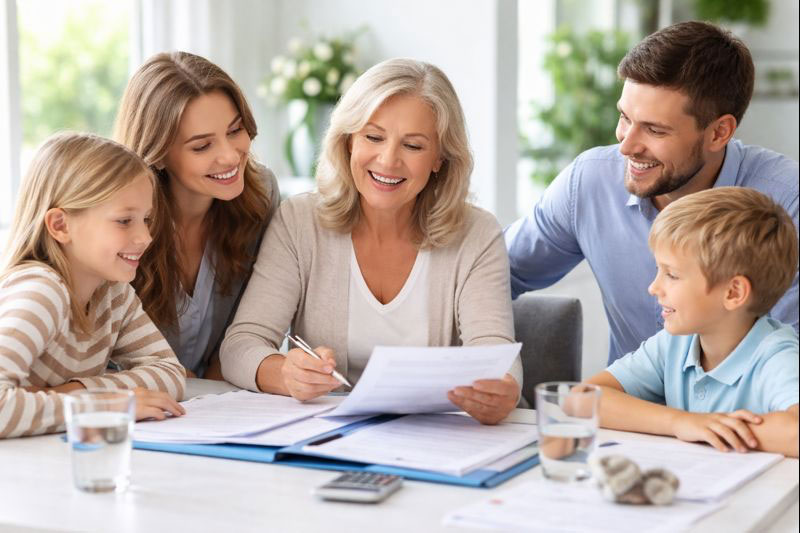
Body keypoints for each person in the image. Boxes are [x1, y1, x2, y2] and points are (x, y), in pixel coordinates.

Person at [220, 58, 522, 425]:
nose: (388, 160)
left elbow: (498, 357)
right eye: (373, 137)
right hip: (323, 439)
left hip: (433, 439)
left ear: (440, 158)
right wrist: (285, 373)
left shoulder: (477, 233)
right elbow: (239, 347)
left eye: (412, 145)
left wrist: (500, 392)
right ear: (348, 141)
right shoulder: (299, 221)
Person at [506, 21, 799, 364]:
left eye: (655, 130)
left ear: (719, 132)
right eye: (625, 117)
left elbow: (786, 364)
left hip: (746, 412)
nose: (627, 145)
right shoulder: (590, 182)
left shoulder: (787, 206)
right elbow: (493, 273)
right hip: (628, 411)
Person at [586, 187, 798, 457]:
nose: (654, 287)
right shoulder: (675, 342)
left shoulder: (776, 354)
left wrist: (716, 429)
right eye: (658, 270)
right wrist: (682, 422)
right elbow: (584, 399)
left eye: (671, 275)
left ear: (733, 293)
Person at [0, 132, 187, 439]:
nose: (145, 237)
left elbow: (168, 372)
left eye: (146, 219)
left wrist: (76, 392)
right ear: (61, 225)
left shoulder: (113, 292)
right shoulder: (41, 292)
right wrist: (106, 407)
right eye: (124, 221)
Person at [114, 52, 280, 379]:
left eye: (235, 130)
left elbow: (249, 329)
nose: (231, 156)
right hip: (135, 401)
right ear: (157, 154)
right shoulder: (117, 218)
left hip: (221, 405)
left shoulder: (261, 193)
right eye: (202, 147)